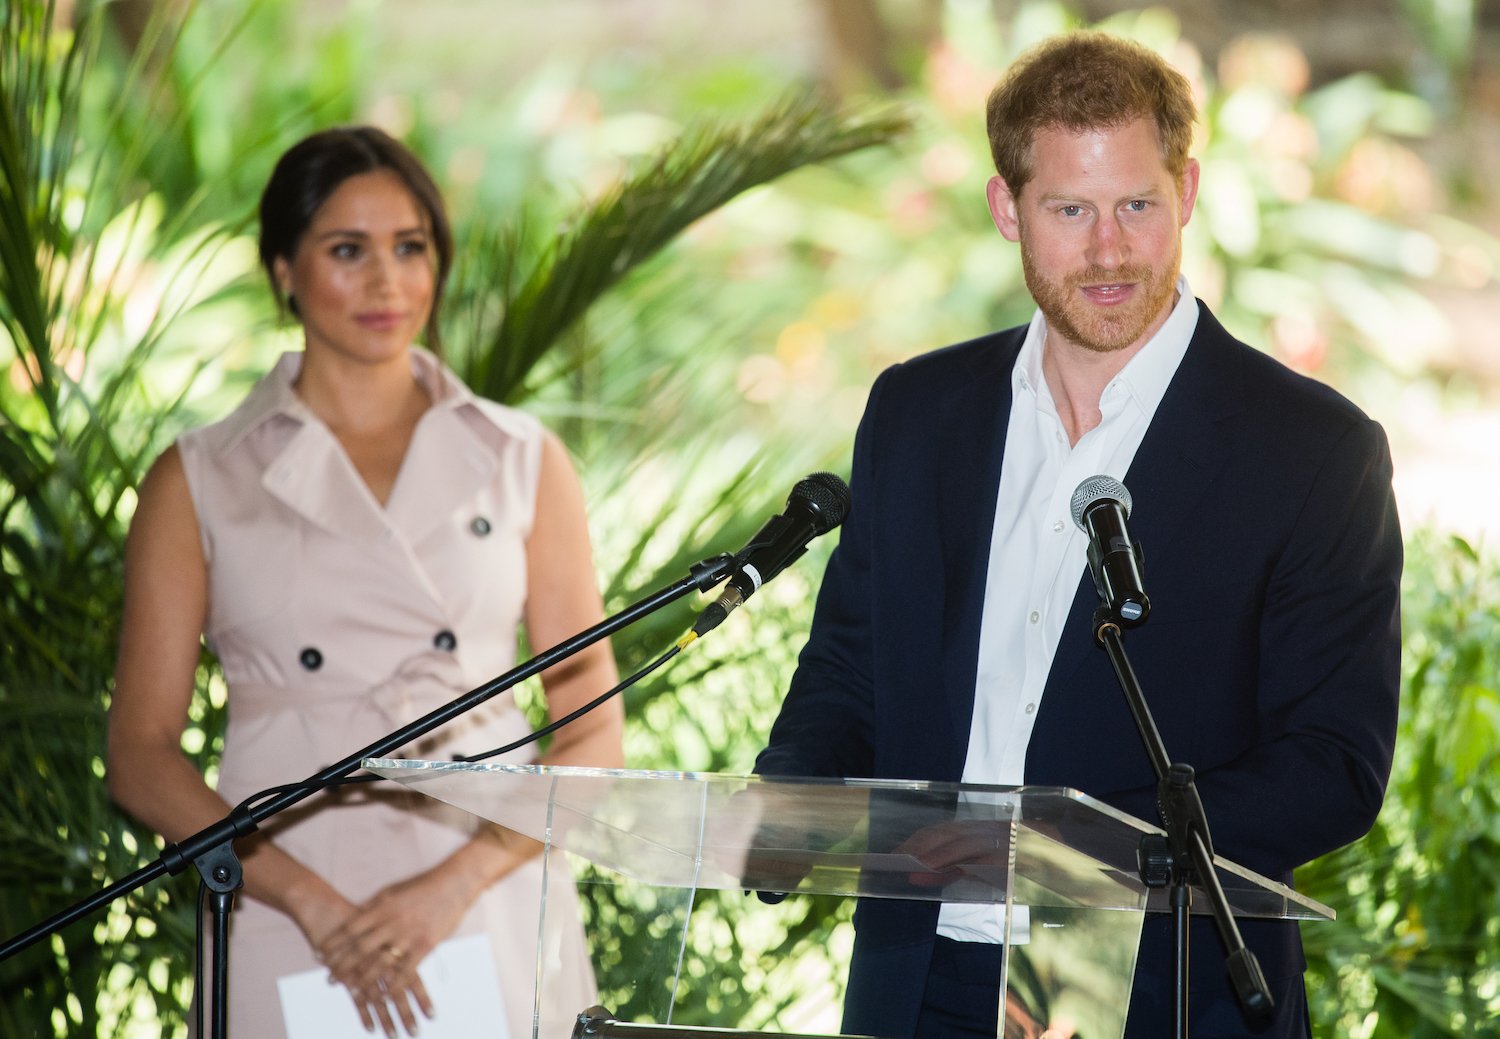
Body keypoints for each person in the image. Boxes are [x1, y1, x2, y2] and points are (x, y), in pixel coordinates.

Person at [755, 32, 1401, 1039]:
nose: (1109, 250)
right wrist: (781, 816)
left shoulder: (1313, 451)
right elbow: (851, 665)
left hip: (1160, 991)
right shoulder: (917, 412)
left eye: (1136, 204)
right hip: (917, 984)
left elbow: (1333, 764)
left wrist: (1077, 853)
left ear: (1186, 191)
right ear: (1006, 207)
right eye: (1069, 210)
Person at [106, 126, 623, 1039]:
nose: (387, 280)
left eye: (410, 247)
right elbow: (141, 754)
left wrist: (447, 886)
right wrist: (310, 900)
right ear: (282, 271)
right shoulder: (197, 476)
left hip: (486, 878)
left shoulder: (522, 457)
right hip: (285, 887)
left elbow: (593, 736)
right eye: (348, 250)